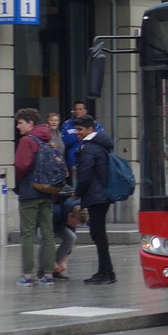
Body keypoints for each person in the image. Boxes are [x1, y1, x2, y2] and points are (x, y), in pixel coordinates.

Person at [13, 108, 56, 287]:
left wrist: (20, 183)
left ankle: (28, 275)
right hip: (47, 192)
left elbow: (21, 166)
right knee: (48, 234)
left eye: (21, 122)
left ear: (30, 123)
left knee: (28, 234)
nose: (18, 126)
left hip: (30, 192)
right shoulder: (47, 139)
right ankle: (48, 274)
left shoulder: (27, 141)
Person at [73, 114, 116, 284]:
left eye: (80, 130)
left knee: (98, 234)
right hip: (102, 195)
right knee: (99, 234)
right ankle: (108, 272)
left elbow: (85, 175)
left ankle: (104, 273)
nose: (77, 133)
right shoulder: (102, 145)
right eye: (76, 129)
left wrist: (78, 192)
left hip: (96, 195)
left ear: (90, 129)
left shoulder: (89, 147)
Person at [60, 101, 104, 172]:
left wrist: (77, 134)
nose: (77, 111)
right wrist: (82, 134)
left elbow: (100, 139)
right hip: (74, 161)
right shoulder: (67, 124)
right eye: (76, 109)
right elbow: (65, 142)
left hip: (92, 160)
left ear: (85, 111)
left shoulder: (94, 124)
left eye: (80, 109)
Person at [47, 190, 82, 279]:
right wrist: (51, 261)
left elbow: (70, 244)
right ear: (70, 215)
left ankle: (55, 271)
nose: (74, 226)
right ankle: (44, 270)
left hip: (59, 224)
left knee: (71, 237)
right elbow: (48, 238)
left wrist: (64, 261)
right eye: (74, 223)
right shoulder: (56, 212)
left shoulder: (74, 215)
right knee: (45, 241)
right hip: (43, 226)